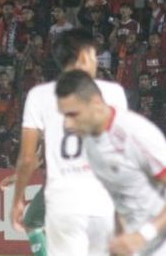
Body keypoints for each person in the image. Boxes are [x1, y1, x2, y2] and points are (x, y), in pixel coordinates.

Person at [55, 70, 166, 256]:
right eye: (64, 115)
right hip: (140, 244)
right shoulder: (88, 142)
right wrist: (120, 239)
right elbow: (118, 196)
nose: (67, 125)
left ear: (95, 102)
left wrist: (143, 235)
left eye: (73, 114)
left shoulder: (135, 133)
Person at [11, 28, 129, 256]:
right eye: (94, 56)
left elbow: (27, 157)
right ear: (84, 56)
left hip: (62, 203)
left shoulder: (39, 95)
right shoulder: (114, 93)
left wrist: (18, 199)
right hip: (100, 200)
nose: (96, 62)